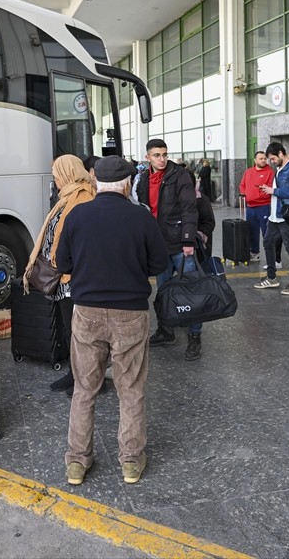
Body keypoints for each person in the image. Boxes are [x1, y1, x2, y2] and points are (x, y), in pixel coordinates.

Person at [53, 156, 170, 486]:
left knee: (84, 389)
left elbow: (63, 263)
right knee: (130, 389)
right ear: (127, 184)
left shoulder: (77, 215)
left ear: (96, 181)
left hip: (86, 312)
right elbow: (159, 263)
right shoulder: (140, 217)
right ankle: (131, 462)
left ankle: (77, 462)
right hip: (130, 313)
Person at [23, 155, 96, 395]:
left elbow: (82, 239)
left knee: (81, 332)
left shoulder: (84, 197)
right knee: (69, 329)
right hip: (62, 277)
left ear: (68, 173)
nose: (54, 180)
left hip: (75, 278)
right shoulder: (66, 196)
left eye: (56, 175)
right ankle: (74, 374)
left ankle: (87, 379)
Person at [131, 139, 203, 359]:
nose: (162, 159)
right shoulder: (143, 178)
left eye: (164, 154)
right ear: (148, 157)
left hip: (180, 244)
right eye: (156, 155)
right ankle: (166, 330)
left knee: (190, 291)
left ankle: (194, 335)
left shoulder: (180, 175)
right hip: (158, 245)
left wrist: (188, 241)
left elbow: (189, 209)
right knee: (164, 292)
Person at [252, 142, 289, 295]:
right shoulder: (279, 169)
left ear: (281, 154)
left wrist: (273, 191)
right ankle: (271, 277)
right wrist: (270, 191)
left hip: (286, 216)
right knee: (268, 242)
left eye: (273, 158)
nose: (271, 162)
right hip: (275, 215)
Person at [238, 151, 274, 260]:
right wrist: (245, 194)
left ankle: (271, 257)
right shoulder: (248, 172)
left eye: (265, 159)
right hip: (250, 207)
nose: (263, 161)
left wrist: (257, 196)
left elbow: (269, 188)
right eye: (261, 159)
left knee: (266, 232)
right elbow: (242, 185)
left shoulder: (270, 172)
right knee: (252, 231)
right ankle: (254, 253)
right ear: (255, 160)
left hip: (263, 206)